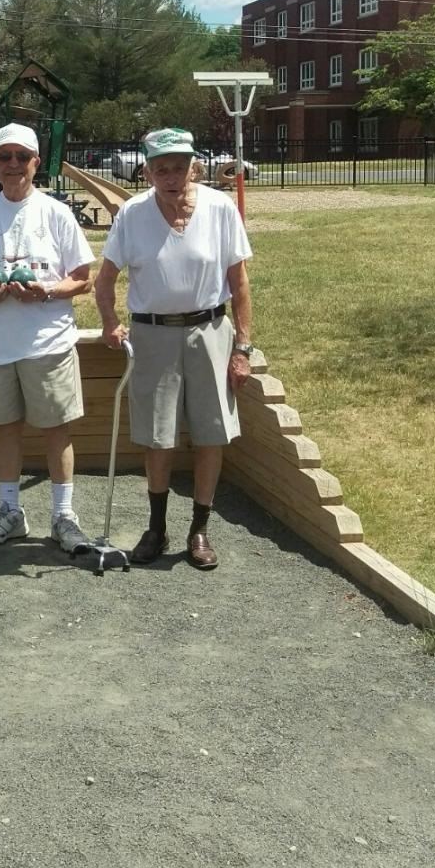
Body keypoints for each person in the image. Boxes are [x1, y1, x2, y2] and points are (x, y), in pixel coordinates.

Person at [93, 125, 253, 571]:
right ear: (147, 172)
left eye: (179, 167)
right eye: (161, 168)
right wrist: (110, 324)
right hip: (153, 335)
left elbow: (239, 284)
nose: (171, 176)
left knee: (210, 433)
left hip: (210, 332)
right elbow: (103, 282)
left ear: (194, 167)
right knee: (158, 436)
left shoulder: (220, 208)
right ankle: (157, 528)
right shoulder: (132, 214)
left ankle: (199, 529)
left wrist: (243, 347)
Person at [0, 122, 96, 553]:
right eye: (4, 157)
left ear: (36, 163)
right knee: (6, 430)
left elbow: (83, 279)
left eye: (21, 157)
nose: (13, 165)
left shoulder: (56, 212)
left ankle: (63, 516)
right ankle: (10, 512)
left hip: (48, 342)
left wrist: (47, 291)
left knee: (57, 430)